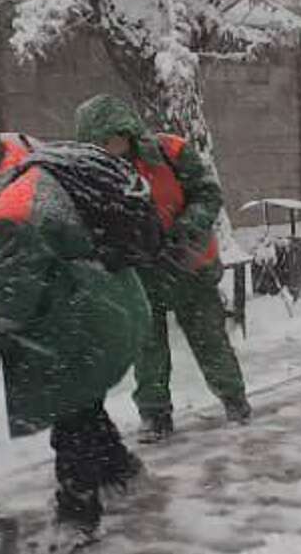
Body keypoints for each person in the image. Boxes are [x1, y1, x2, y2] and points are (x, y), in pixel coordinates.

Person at [0, 107, 157, 549]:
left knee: (69, 415)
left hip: (86, 319)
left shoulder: (14, 209)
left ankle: (78, 517)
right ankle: (120, 470)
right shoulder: (9, 150)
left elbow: (12, 294)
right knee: (81, 404)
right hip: (103, 301)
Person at [72, 94, 251, 443]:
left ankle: (234, 399)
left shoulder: (172, 152)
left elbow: (208, 194)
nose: (111, 148)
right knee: (146, 349)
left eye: (115, 138)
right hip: (139, 274)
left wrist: (186, 229)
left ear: (129, 131)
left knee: (209, 340)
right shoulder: (91, 175)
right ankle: (155, 415)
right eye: (101, 144)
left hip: (188, 265)